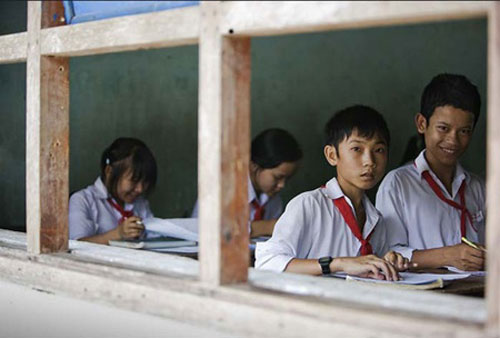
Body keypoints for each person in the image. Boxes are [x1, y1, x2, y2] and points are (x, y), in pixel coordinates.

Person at [255, 105, 410, 279]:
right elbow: (267, 262)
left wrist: (386, 262)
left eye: (379, 150)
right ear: (332, 155)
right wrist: (339, 263)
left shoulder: (376, 219)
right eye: (357, 149)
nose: (370, 161)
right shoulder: (309, 205)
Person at [376, 73, 486, 271]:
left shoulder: (478, 188)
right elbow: (388, 254)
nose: (453, 140)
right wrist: (448, 256)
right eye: (443, 128)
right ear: (421, 124)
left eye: (464, 131)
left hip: (476, 296)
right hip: (424, 298)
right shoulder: (397, 184)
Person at [192, 128, 303, 238]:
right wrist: (266, 227)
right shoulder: (223, 190)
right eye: (277, 177)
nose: (281, 185)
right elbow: (203, 231)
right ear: (253, 166)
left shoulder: (274, 200)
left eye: (287, 179)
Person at [69, 137, 158, 245]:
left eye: (145, 182)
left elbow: (154, 237)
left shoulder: (141, 204)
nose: (140, 189)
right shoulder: (82, 200)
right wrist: (118, 234)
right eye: (134, 180)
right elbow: (76, 245)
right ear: (109, 171)